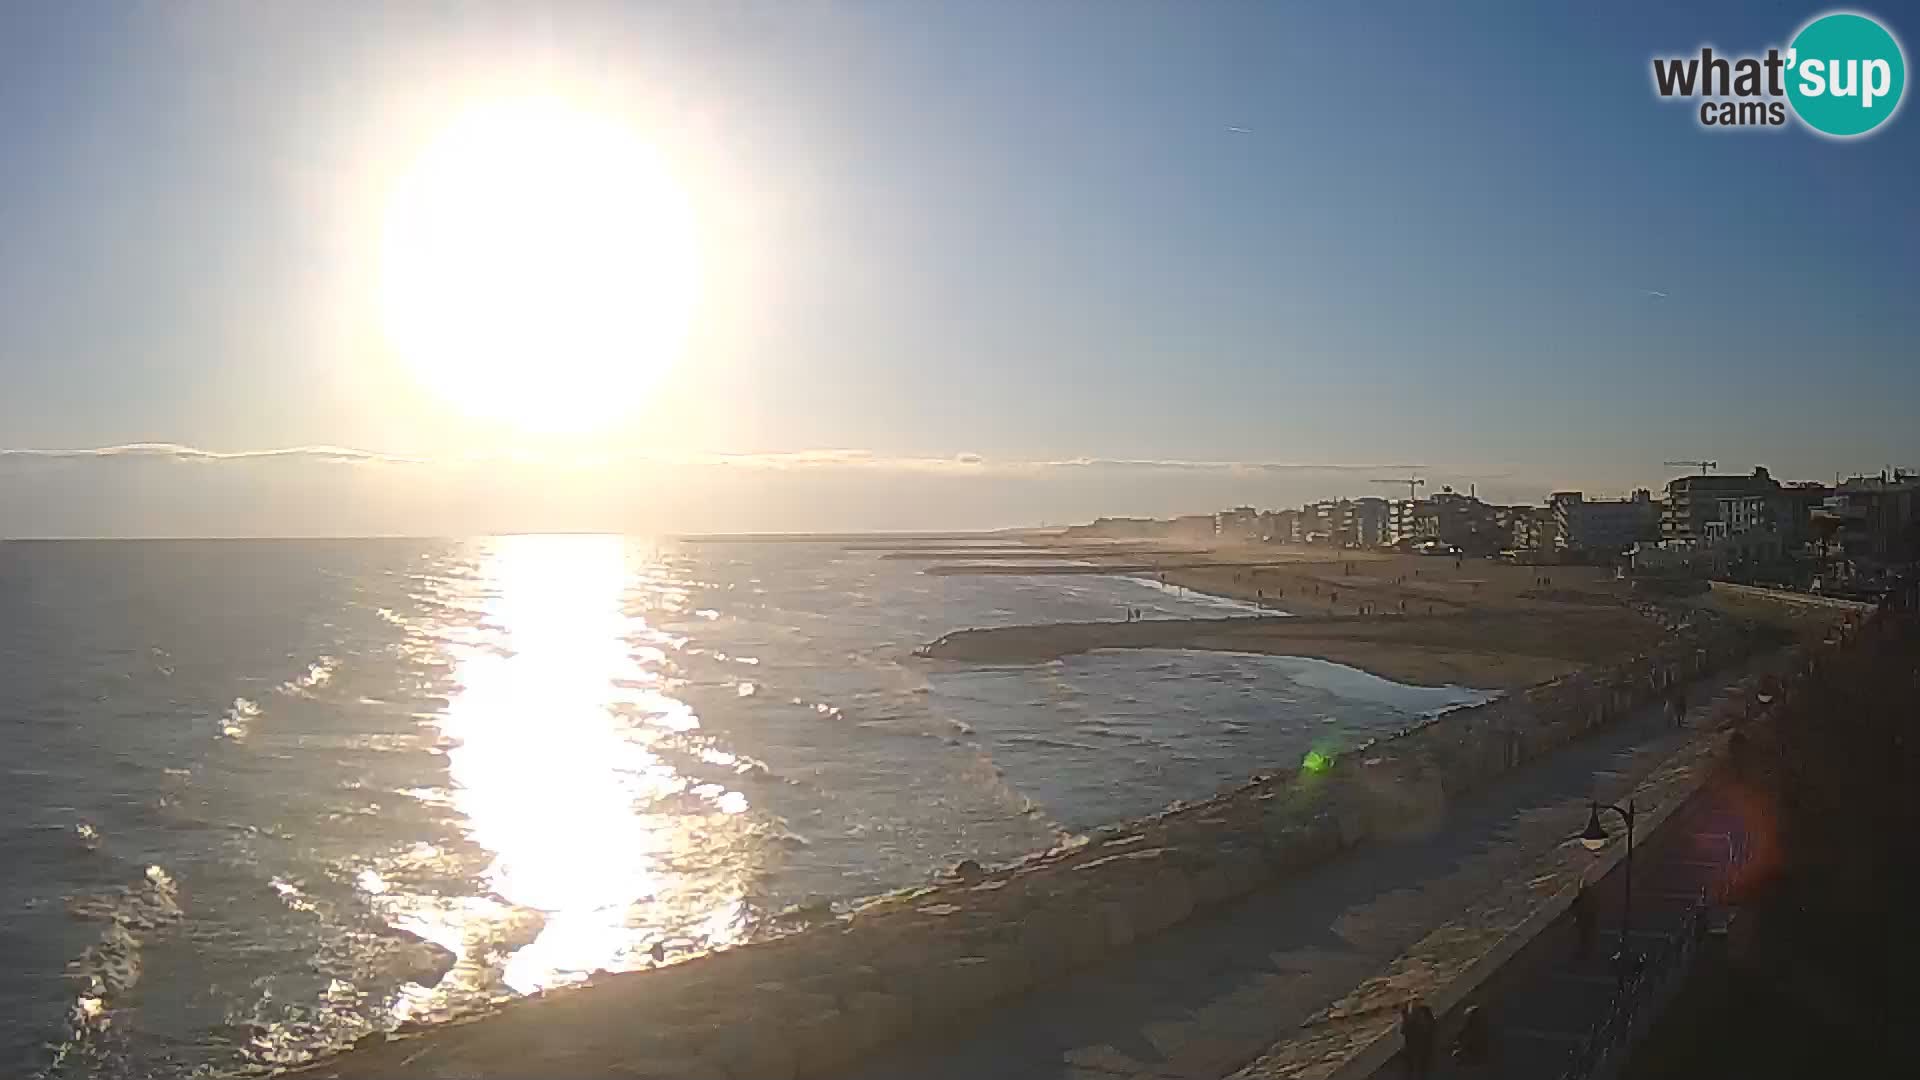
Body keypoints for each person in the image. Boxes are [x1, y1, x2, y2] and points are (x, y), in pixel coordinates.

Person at [1400, 1001, 1436, 1078]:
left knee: (1417, 1062)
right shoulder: (1423, 1021)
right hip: (1418, 1043)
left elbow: (1403, 1031)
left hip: (1416, 1044)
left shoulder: (1415, 1021)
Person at [1572, 881, 1596, 962]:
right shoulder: (1590, 897)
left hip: (1584, 921)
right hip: (1585, 921)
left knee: (1585, 938)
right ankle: (1586, 953)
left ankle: (1585, 953)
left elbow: (1575, 908)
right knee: (1585, 938)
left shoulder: (1583, 897)